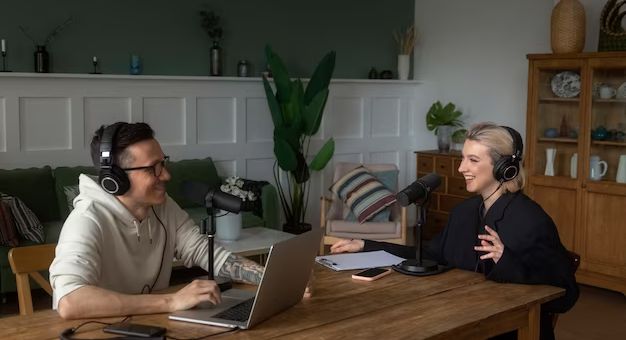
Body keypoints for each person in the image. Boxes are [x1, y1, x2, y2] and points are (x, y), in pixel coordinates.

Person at [330, 122, 579, 340]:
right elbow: (431, 257)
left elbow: (566, 294)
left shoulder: (531, 219)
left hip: (509, 329)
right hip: (461, 317)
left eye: (473, 160)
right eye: (463, 157)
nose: (461, 168)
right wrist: (366, 244)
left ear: (504, 167)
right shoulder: (463, 212)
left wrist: (507, 260)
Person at [49, 122, 313, 320]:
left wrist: (274, 280)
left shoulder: (163, 208)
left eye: (163, 163)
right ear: (115, 178)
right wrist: (171, 302)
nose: (166, 175)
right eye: (154, 168)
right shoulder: (86, 221)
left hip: (153, 327)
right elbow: (71, 301)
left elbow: (203, 252)